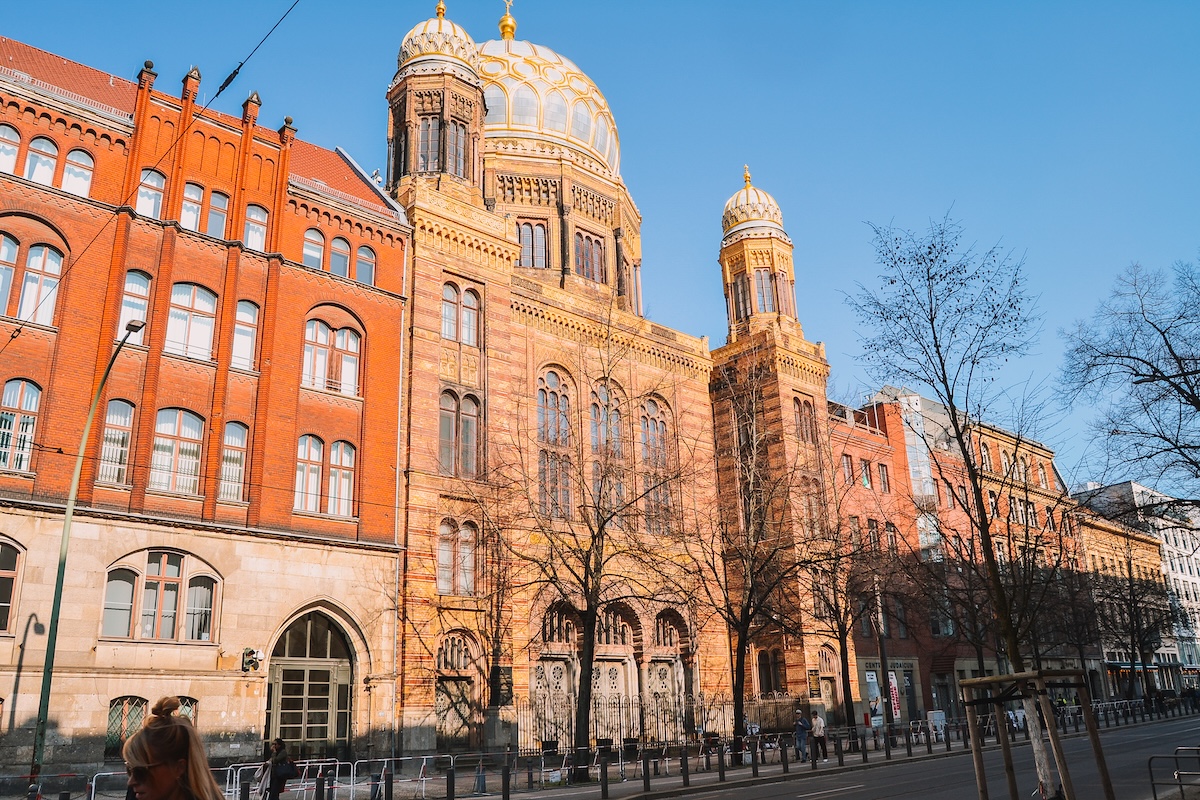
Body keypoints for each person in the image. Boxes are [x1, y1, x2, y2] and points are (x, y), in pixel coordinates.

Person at [123, 696, 223, 800]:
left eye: (141, 772)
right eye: (129, 770)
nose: (131, 781)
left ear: (179, 768)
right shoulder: (135, 796)